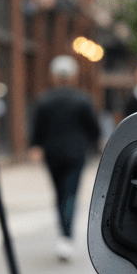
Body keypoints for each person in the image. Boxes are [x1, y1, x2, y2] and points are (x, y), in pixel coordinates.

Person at [28, 55, 100, 262]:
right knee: (70, 194)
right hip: (76, 154)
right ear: (73, 76)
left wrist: (35, 147)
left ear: (54, 76)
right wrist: (94, 145)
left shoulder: (45, 99)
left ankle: (63, 234)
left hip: (52, 155)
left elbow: (37, 128)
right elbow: (93, 129)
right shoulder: (82, 100)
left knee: (59, 193)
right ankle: (66, 236)